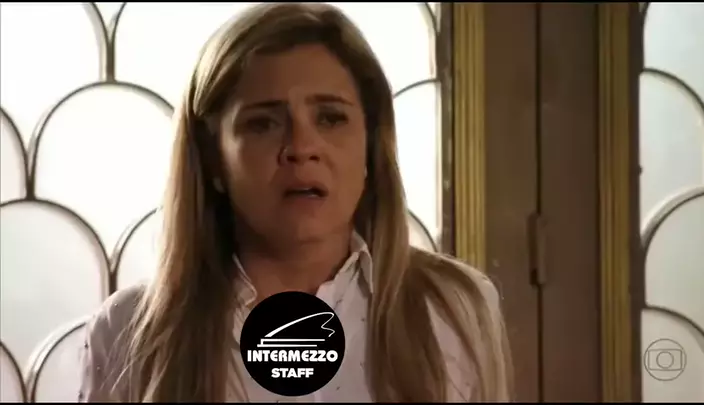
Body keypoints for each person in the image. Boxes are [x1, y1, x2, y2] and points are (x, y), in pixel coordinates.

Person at [79, 2, 513, 402]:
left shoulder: (454, 308)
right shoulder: (127, 332)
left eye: (331, 118)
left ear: (369, 148)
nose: (302, 148)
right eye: (263, 123)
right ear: (213, 159)